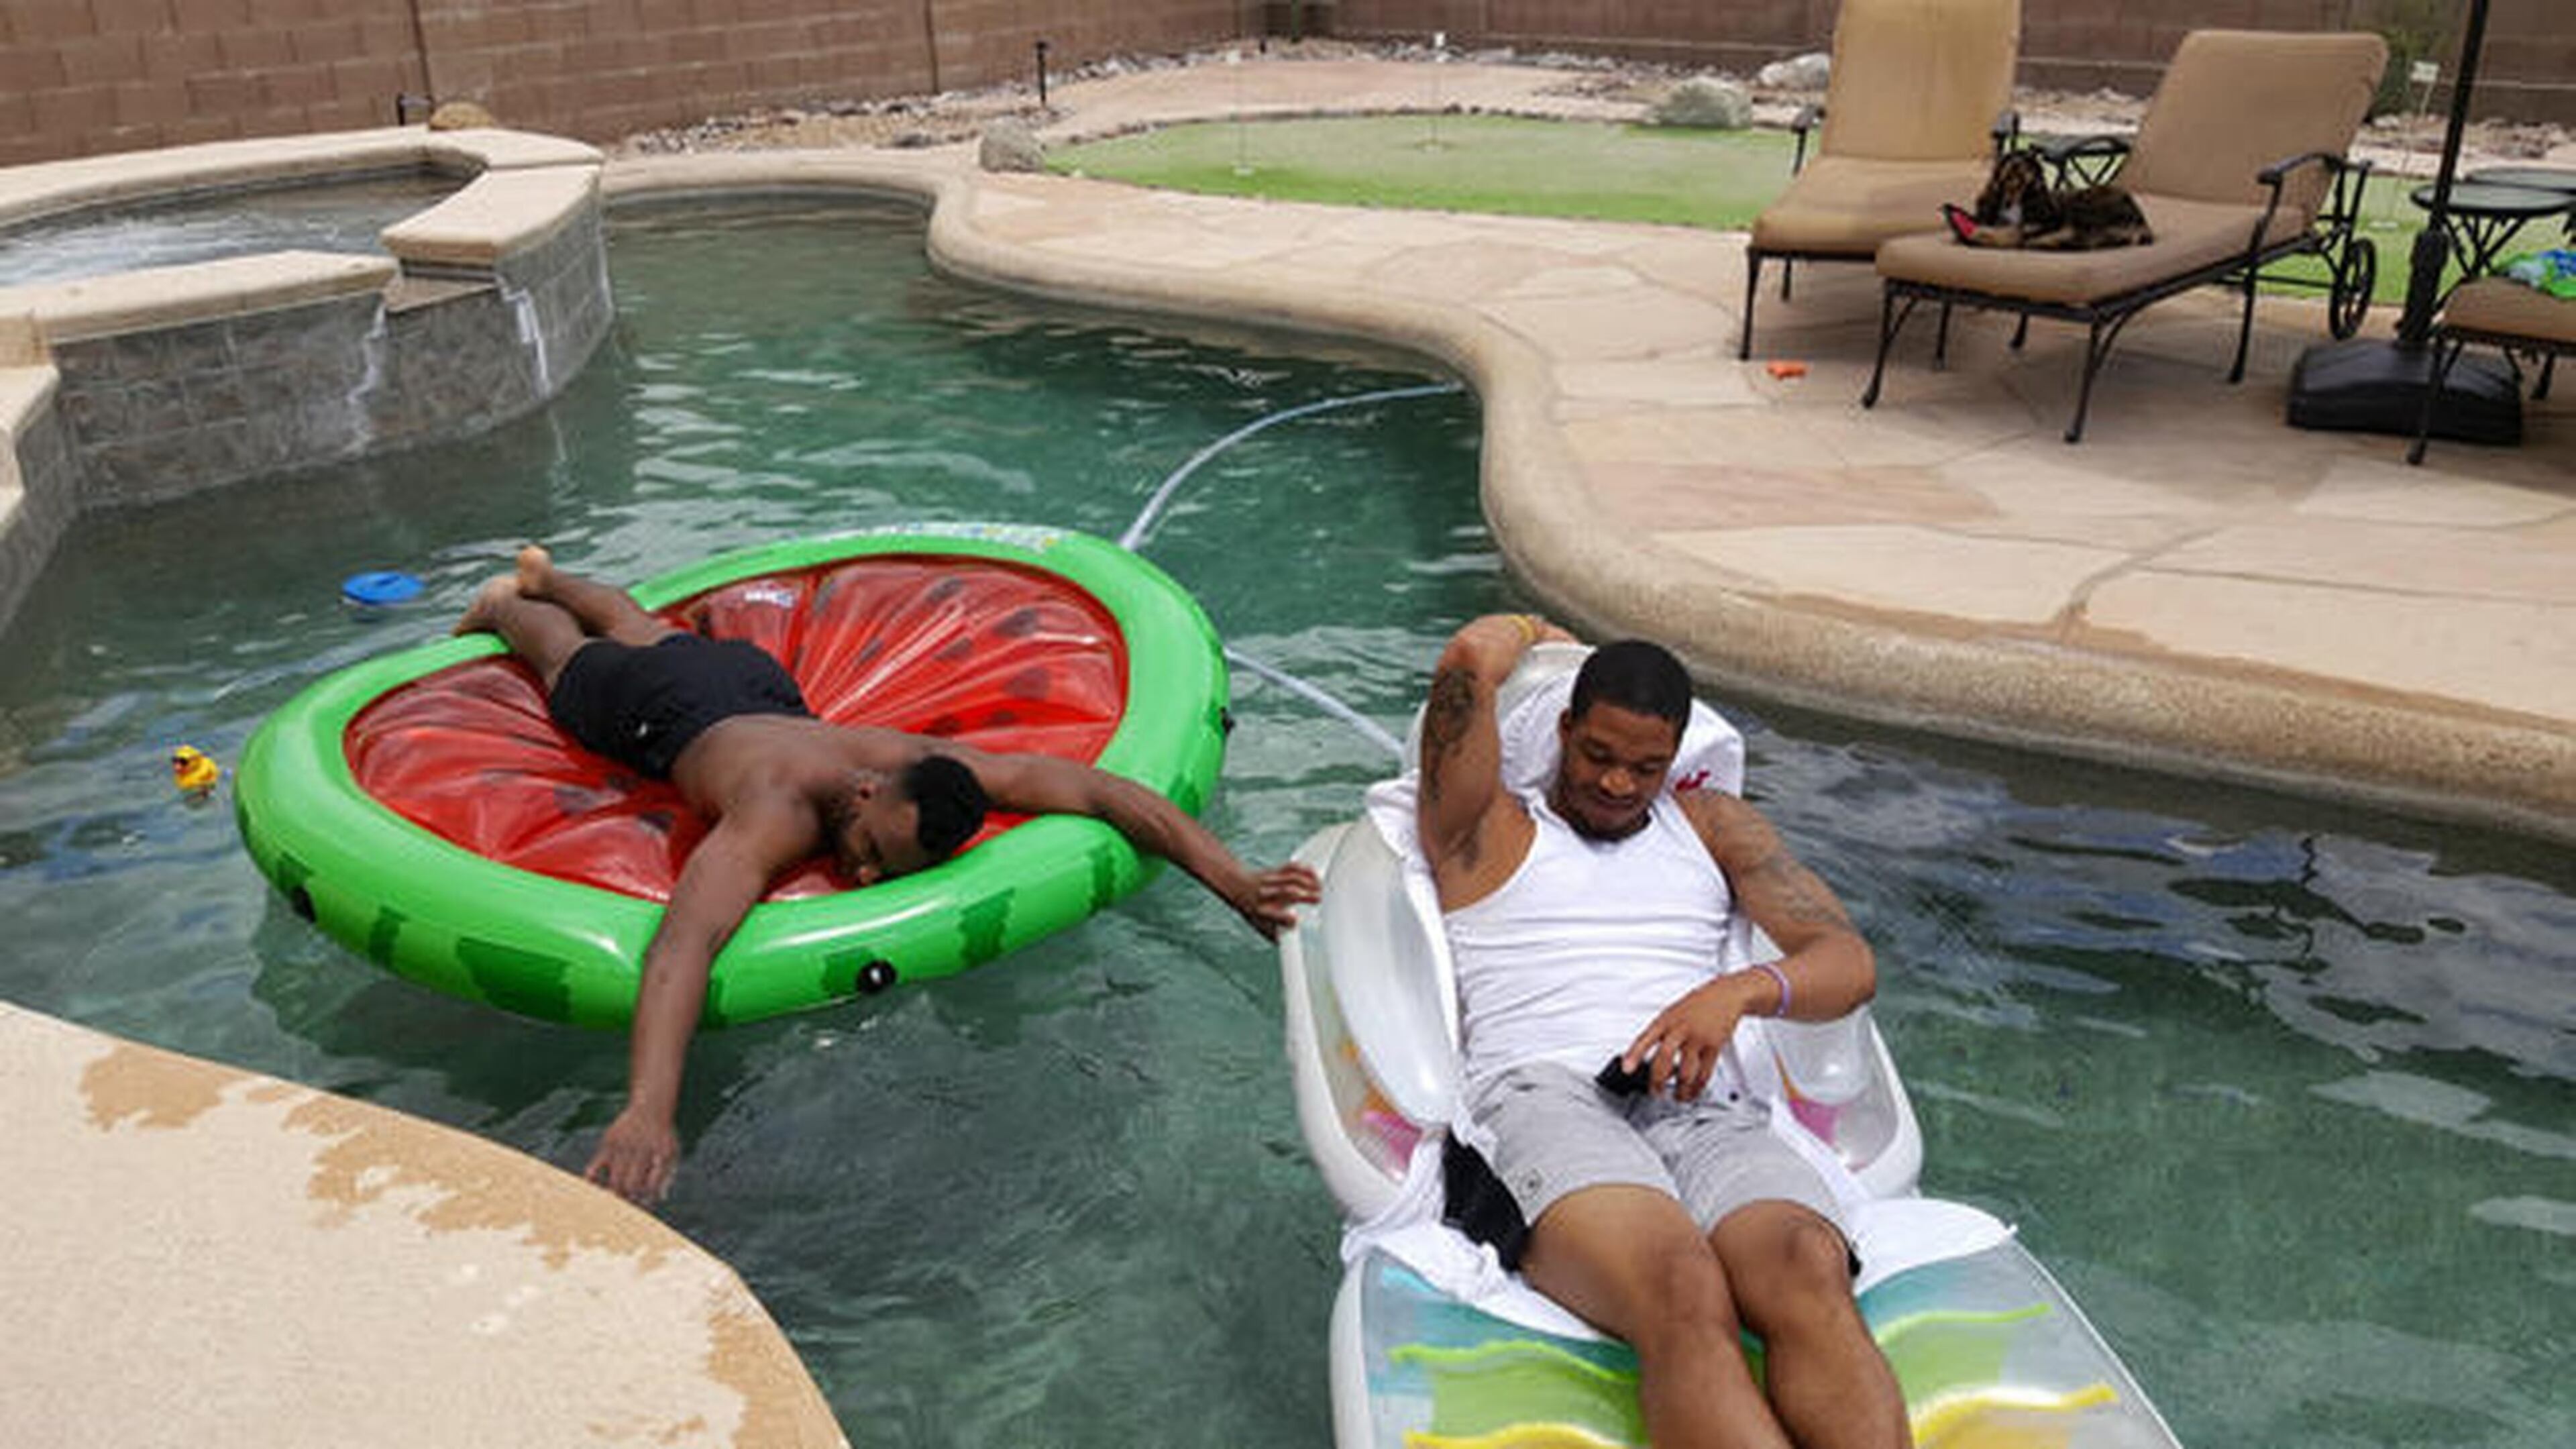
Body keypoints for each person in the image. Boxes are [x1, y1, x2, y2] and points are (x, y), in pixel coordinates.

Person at [455, 547, 1321, 1205]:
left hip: (758, 690)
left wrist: (1233, 880)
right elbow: (684, 943)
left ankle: (554, 570)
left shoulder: (926, 770)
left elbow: (1101, 790)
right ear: (865, 792)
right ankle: (519, 594)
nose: (864, 875)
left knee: (648, 625)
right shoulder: (776, 812)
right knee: (573, 660)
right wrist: (650, 1107)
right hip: (664, 710)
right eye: (868, 849)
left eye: (882, 866)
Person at [1414, 613, 1908, 1449]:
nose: (1616, 784)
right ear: (1564, 729)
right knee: (1683, 1288)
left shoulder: (1711, 826)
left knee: (1807, 1268)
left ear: (1677, 755)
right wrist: (1532, 627)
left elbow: (1846, 962)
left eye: (1645, 767)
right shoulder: (1487, 829)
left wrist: (1738, 994)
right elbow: (1466, 666)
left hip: (1698, 1102)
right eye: (1597, 755)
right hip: (1545, 1096)